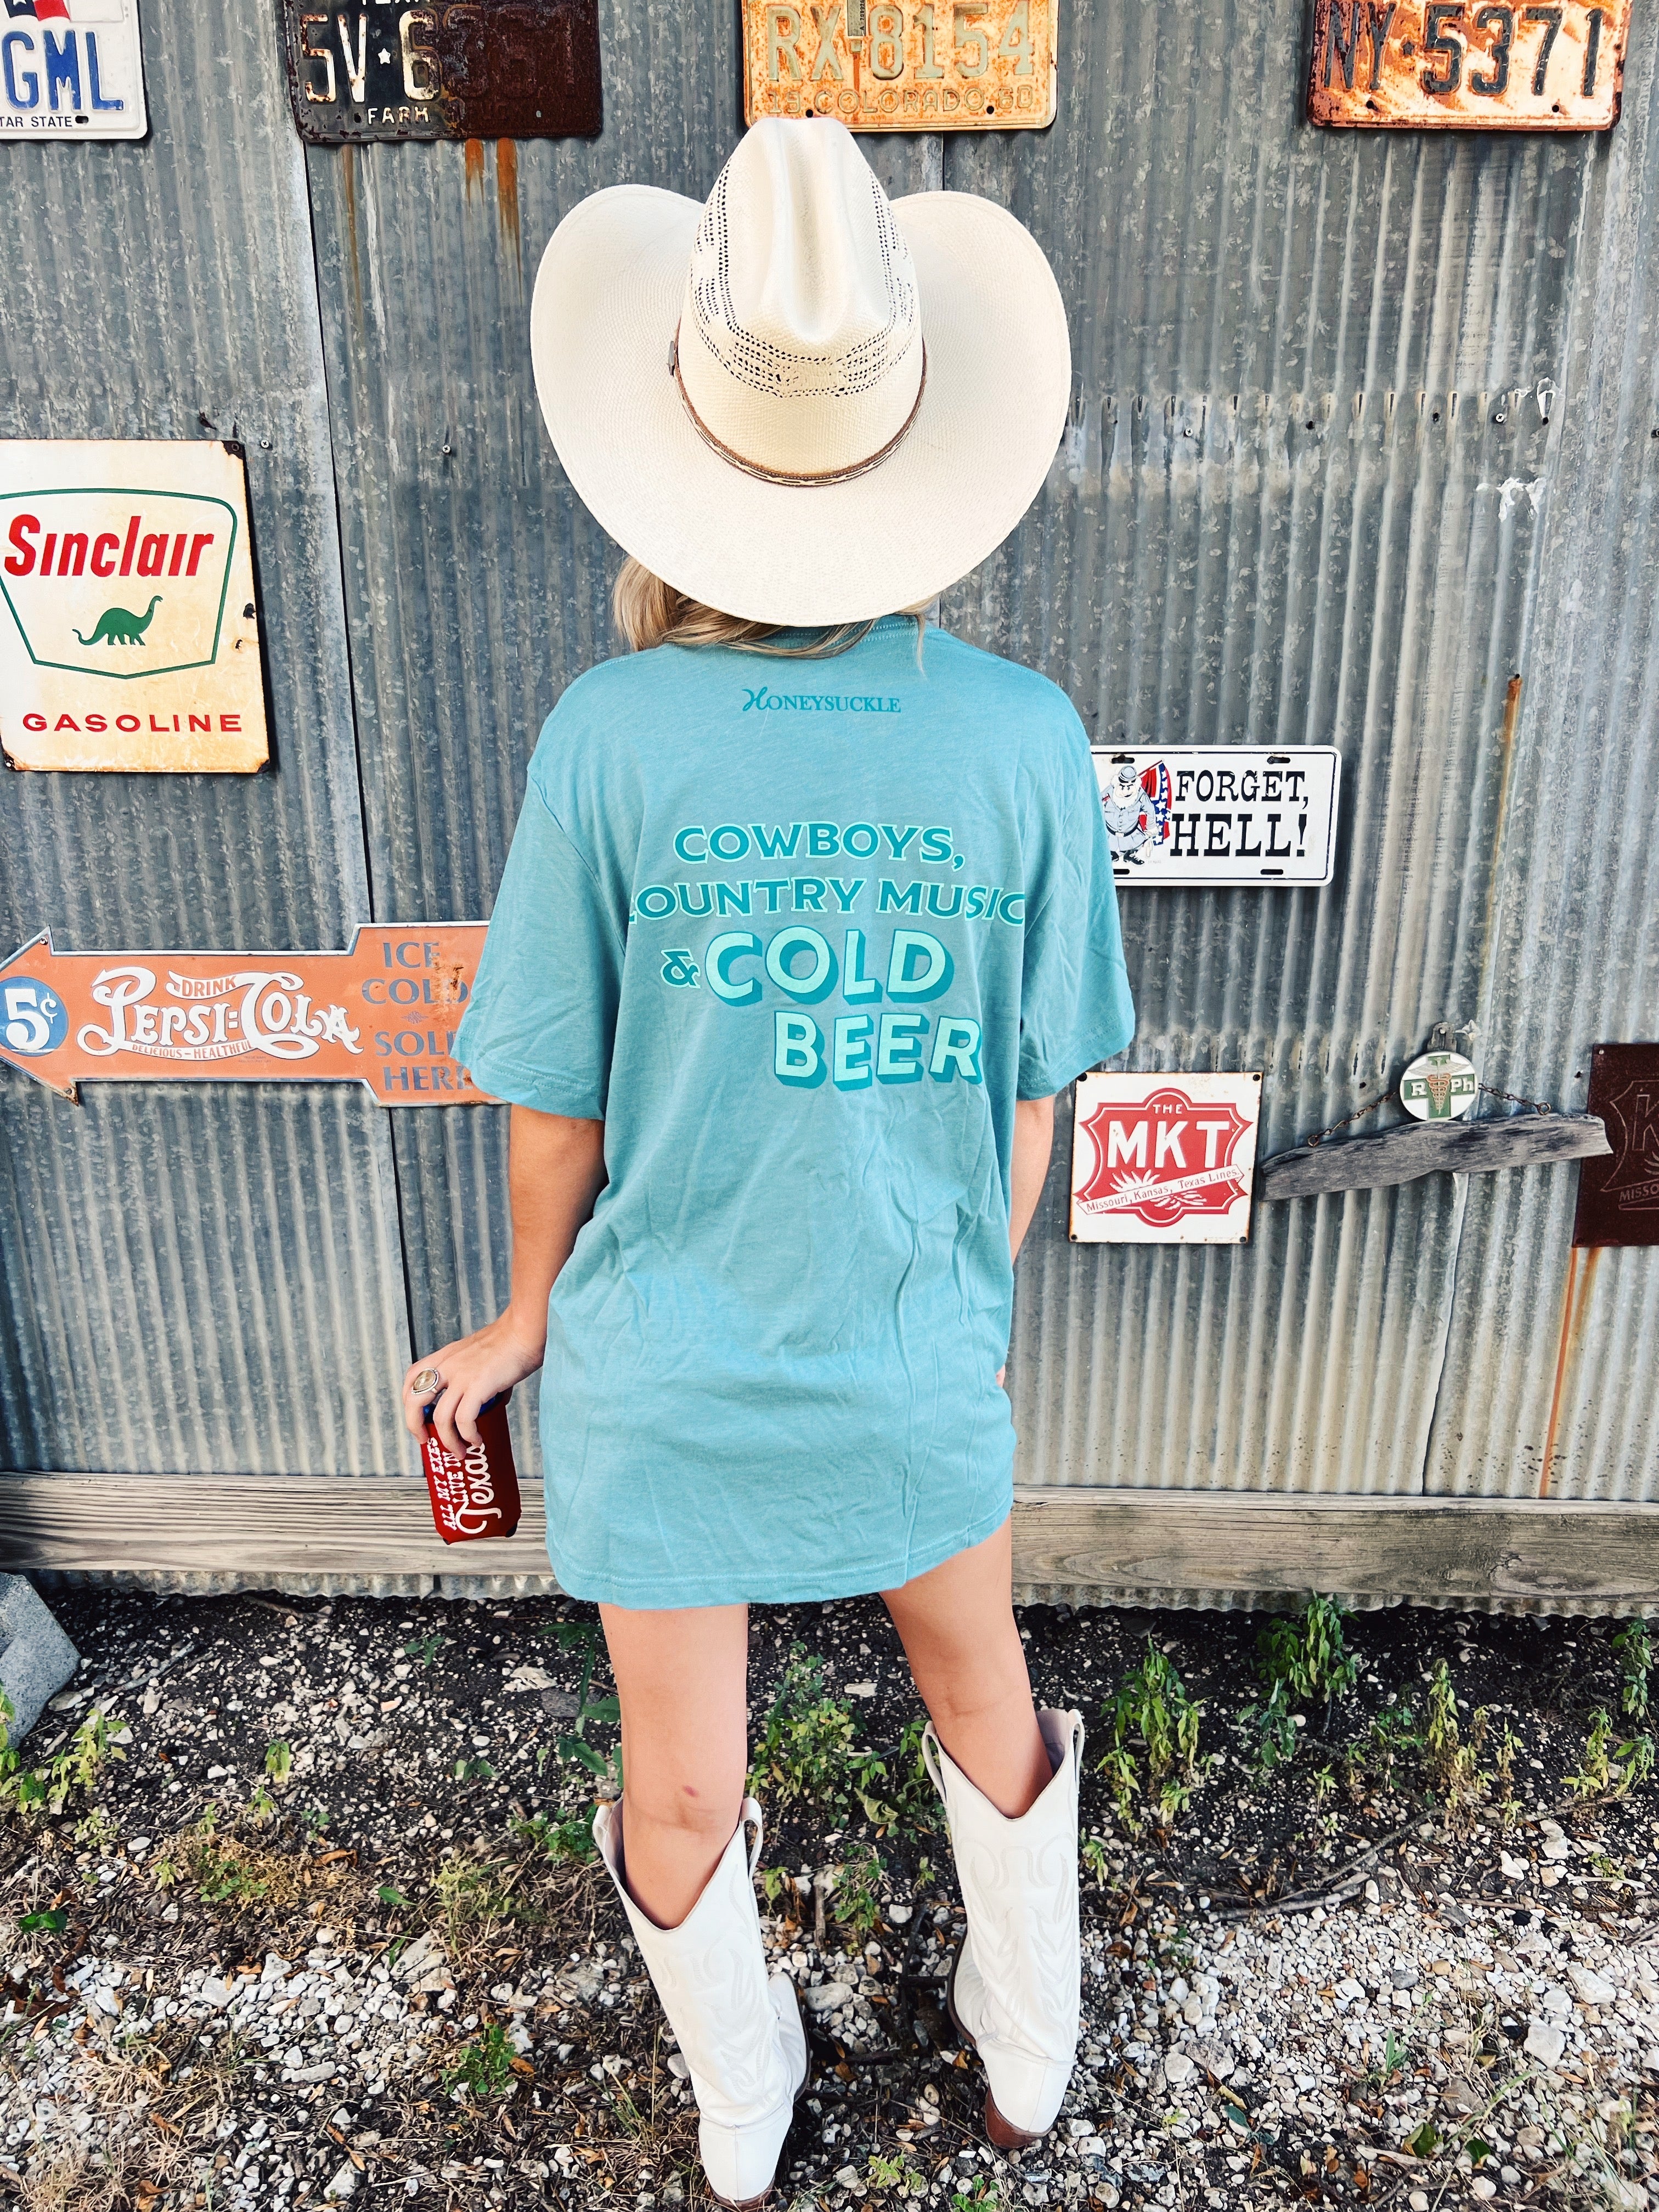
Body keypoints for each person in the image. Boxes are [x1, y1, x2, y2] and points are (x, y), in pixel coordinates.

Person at [402, 116, 1134, 2210]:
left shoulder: (609, 735)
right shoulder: (1021, 738)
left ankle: (744, 2105)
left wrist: (533, 1311)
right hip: (918, 1341)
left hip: (665, 1363)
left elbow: (555, 1101)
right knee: (983, 1695)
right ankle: (1030, 2053)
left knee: (684, 1769)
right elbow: (1028, 1098)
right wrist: (966, 1300)